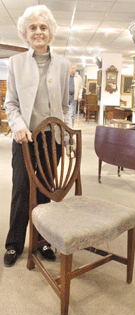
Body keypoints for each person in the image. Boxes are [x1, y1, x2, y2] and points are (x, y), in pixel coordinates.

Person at [4, 5, 71, 267]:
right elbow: (10, 104)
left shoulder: (63, 64)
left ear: (51, 32)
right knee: (21, 189)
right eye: (33, 27)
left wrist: (65, 137)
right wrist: (18, 125)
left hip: (50, 139)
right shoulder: (15, 63)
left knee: (45, 191)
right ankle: (14, 243)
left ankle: (42, 241)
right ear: (25, 34)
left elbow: (65, 106)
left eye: (43, 27)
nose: (38, 32)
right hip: (24, 137)